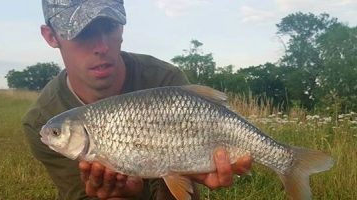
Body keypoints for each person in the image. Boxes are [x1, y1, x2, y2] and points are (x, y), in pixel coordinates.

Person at [22, 0, 252, 199]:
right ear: (51, 36)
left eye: (110, 26)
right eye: (82, 32)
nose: (101, 47)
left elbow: (178, 186)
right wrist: (122, 195)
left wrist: (186, 169)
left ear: (121, 27)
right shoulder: (42, 119)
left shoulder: (166, 81)